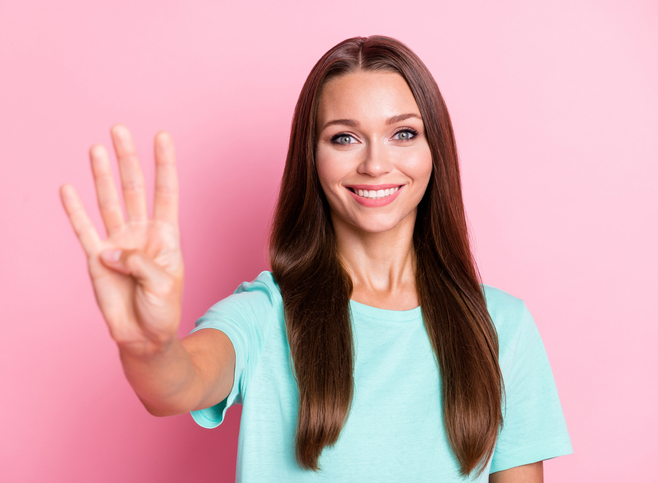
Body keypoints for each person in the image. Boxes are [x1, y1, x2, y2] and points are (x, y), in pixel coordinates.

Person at [60, 36, 572, 482]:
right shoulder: (266, 313)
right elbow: (176, 385)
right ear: (313, 157)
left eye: (403, 133)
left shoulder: (503, 327)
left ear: (434, 150)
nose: (375, 163)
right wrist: (147, 347)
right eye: (344, 137)